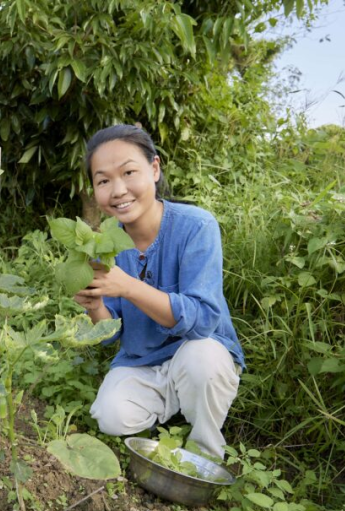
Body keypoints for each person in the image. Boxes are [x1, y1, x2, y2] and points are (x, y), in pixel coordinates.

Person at [73, 124, 244, 461]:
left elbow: (202, 321)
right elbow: (109, 336)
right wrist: (95, 307)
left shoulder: (196, 226)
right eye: (103, 180)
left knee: (201, 363)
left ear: (154, 169)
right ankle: (175, 404)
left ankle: (207, 450)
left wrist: (130, 287)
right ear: (94, 189)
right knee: (109, 415)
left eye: (129, 172)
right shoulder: (103, 244)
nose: (118, 190)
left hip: (199, 351)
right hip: (142, 361)